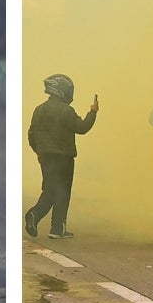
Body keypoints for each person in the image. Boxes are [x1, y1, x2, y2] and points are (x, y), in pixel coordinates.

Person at [25, 74, 98, 239]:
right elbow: (82, 127)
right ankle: (52, 225)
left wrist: (39, 152)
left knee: (50, 189)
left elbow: (31, 135)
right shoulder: (66, 111)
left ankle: (43, 221)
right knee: (62, 192)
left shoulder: (39, 110)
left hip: (45, 157)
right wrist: (93, 112)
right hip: (64, 158)